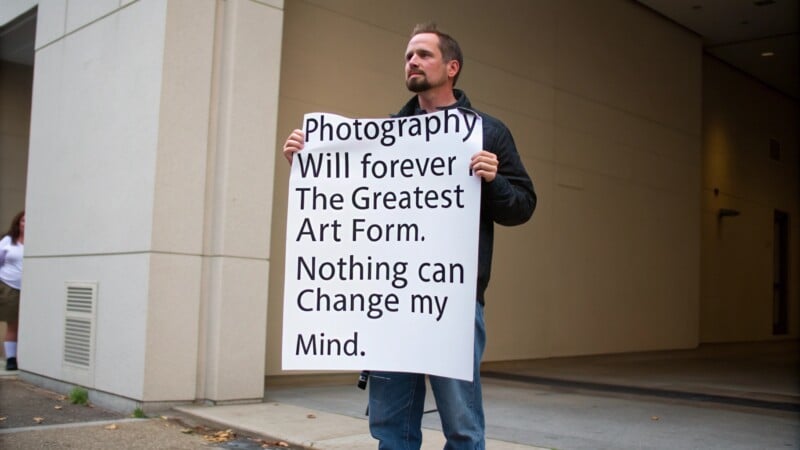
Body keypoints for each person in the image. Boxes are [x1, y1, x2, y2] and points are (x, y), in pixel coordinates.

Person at [282, 23, 536, 449]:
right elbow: (354, 205)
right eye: (407, 56)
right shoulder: (384, 137)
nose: (412, 61)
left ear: (452, 67)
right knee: (390, 425)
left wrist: (493, 181)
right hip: (388, 301)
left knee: (462, 423)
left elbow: (523, 206)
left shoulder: (487, 132)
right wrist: (312, 169)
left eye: (423, 54)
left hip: (451, 302)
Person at [0, 210, 25, 371]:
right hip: (10, 286)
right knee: (13, 323)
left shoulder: (39, 242)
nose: (26, 224)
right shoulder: (8, 241)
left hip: (31, 289)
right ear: (18, 223)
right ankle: (10, 359)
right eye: (23, 221)